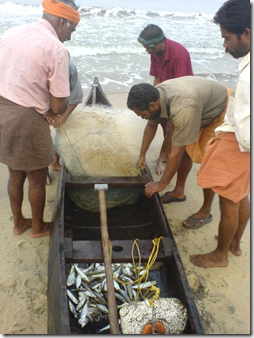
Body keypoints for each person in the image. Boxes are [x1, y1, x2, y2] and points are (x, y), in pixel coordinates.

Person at [0, 0, 80, 238]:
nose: (69, 37)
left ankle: (18, 223)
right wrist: (54, 106)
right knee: (36, 177)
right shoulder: (56, 49)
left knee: (15, 173)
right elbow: (58, 105)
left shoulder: (12, 32)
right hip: (27, 117)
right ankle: (37, 227)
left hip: (2, 109)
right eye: (71, 30)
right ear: (63, 21)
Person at [190, 0, 250, 268]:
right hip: (242, 143)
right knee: (240, 196)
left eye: (227, 38)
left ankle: (220, 255)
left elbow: (246, 130)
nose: (224, 44)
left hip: (240, 142)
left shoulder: (249, 75)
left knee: (229, 203)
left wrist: (232, 147)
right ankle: (235, 243)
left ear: (246, 33)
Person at [127, 76, 230, 222]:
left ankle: (205, 211)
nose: (143, 118)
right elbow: (151, 125)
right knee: (187, 147)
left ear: (152, 105)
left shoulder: (183, 108)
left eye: (143, 115)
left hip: (218, 110)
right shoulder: (156, 95)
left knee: (209, 161)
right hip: (197, 105)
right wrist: (142, 155)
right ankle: (178, 192)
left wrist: (161, 184)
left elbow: (176, 153)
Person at [137, 24, 194, 189]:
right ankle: (166, 153)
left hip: (182, 94)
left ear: (157, 44)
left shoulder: (179, 54)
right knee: (159, 122)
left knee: (171, 128)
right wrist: (154, 100)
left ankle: (165, 157)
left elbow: (181, 86)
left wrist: (168, 112)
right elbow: (156, 77)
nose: (146, 51)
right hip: (164, 91)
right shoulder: (155, 53)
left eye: (147, 47)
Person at [46, 60, 83, 184]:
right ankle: (43, 172)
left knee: (61, 130)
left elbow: (77, 96)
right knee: (41, 138)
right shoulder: (39, 67)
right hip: (39, 102)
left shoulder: (70, 68)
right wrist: (45, 113)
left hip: (61, 104)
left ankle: (55, 163)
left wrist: (65, 115)